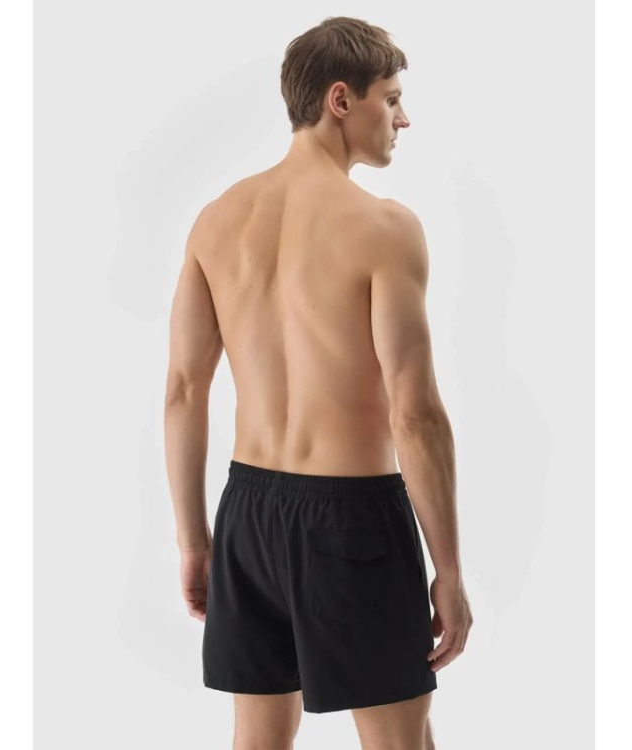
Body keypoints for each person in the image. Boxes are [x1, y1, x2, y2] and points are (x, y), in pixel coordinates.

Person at [164, 15, 472, 750]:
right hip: (352, 523)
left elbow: (183, 390)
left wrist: (195, 541)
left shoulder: (216, 220)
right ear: (341, 100)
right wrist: (449, 570)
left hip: (247, 516)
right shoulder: (385, 228)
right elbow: (415, 413)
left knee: (258, 742)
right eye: (390, 98)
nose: (402, 118)